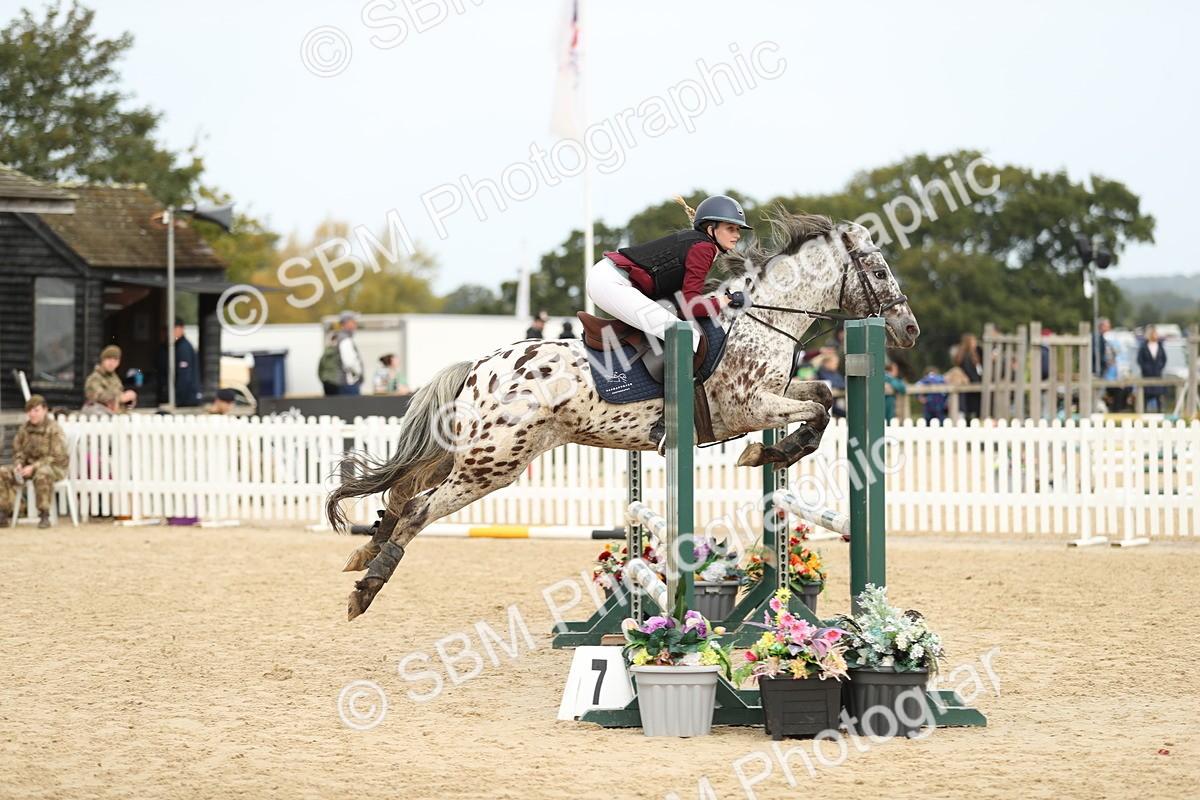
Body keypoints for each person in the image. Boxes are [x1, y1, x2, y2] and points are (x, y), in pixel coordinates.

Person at [587, 194, 749, 355]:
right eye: (730, 228)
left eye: (737, 229)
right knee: (684, 335)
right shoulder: (703, 248)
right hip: (611, 282)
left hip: (610, 279)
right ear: (710, 229)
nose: (737, 235)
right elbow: (690, 306)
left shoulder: (701, 244)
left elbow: (681, 301)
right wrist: (726, 300)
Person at [0, 395, 69, 528]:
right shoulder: (24, 430)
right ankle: (2, 513)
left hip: (53, 468)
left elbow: (56, 456)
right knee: (2, 472)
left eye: (36, 410)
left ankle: (44, 514)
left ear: (45, 410)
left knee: (42, 474)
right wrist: (19, 464)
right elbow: (18, 451)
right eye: (30, 411)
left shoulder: (53, 429)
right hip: (27, 468)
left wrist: (34, 467)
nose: (32, 414)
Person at [155, 318, 202, 407]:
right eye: (167, 329)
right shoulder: (168, 347)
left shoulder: (184, 348)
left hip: (185, 400)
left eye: (173, 328)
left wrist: (176, 400)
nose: (169, 332)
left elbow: (184, 377)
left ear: (181, 329)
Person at [84, 345, 138, 411]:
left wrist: (129, 400)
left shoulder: (115, 378)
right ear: (103, 360)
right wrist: (120, 398)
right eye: (109, 359)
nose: (112, 363)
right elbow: (97, 397)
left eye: (115, 359)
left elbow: (119, 396)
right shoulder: (95, 378)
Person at [952, 333, 983, 421]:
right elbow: (969, 371)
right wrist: (977, 381)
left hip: (972, 384)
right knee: (969, 409)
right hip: (969, 385)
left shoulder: (974, 354)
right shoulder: (966, 356)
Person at [1137, 326, 1168, 412]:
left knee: (1159, 396)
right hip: (1147, 375)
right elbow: (1140, 360)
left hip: (1157, 374)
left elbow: (1164, 359)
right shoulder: (1144, 347)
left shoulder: (1160, 346)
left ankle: (1159, 411)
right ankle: (1144, 412)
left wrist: (1160, 367)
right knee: (1146, 395)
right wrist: (1145, 368)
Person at [334, 310, 365, 396]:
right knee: (353, 408)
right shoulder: (345, 339)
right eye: (353, 321)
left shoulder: (343, 337)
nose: (355, 323)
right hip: (349, 383)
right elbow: (350, 362)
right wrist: (358, 373)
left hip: (347, 382)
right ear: (346, 322)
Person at [815, 351, 847, 418]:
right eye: (835, 364)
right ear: (827, 363)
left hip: (837, 397)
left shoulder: (835, 372)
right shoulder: (821, 372)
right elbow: (832, 383)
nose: (836, 366)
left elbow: (842, 382)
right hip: (828, 399)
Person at [318, 332, 341, 397]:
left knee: (329, 403)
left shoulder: (324, 354)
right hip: (336, 381)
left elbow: (320, 369)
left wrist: (324, 379)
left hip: (326, 381)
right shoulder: (340, 354)